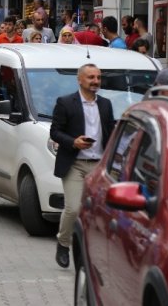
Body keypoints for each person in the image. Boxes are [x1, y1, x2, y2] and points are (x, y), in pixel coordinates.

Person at [50, 64, 115, 268]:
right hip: (74, 164)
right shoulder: (65, 102)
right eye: (90, 77)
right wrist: (73, 142)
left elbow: (111, 131)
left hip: (99, 166)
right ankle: (63, 243)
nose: (95, 81)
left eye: (98, 77)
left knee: (100, 212)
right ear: (80, 79)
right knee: (73, 208)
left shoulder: (105, 104)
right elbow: (55, 132)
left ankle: (92, 251)